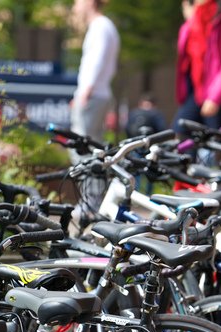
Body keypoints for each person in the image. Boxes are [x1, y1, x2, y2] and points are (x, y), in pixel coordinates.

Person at [70, 0, 120, 213]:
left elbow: (96, 61)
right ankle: (94, 201)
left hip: (92, 95)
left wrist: (85, 91)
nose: (75, 6)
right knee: (93, 150)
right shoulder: (105, 26)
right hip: (96, 94)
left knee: (82, 149)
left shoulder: (100, 26)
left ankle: (90, 202)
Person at [173, 0, 221, 133]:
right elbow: (186, 57)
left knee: (217, 141)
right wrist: (191, 20)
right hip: (196, 93)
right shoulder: (195, 21)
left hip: (219, 97)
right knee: (180, 133)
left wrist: (215, 97)